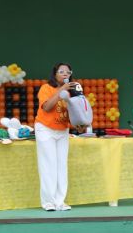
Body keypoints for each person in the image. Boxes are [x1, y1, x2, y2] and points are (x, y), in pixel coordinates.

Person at [35, 63, 83, 211]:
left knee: (61, 166)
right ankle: (48, 202)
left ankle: (60, 201)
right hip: (45, 129)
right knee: (48, 165)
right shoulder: (46, 88)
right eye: (61, 72)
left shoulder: (73, 91)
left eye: (68, 72)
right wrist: (61, 90)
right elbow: (47, 107)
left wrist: (80, 123)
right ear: (55, 74)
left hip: (62, 130)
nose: (65, 74)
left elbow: (75, 112)